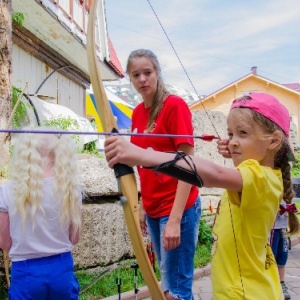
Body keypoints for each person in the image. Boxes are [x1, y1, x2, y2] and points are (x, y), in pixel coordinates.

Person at [105, 92, 297, 299]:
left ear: (274, 141)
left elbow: (213, 174)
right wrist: (240, 146)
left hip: (246, 294)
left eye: (242, 133)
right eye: (230, 134)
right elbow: (241, 166)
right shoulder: (262, 176)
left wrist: (141, 155)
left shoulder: (261, 179)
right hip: (249, 289)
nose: (231, 142)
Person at [126, 49, 201, 300]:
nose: (142, 79)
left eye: (147, 72)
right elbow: (141, 163)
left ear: (157, 73)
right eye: (136, 74)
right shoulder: (137, 112)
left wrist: (175, 219)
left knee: (176, 290)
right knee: (166, 284)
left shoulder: (174, 106)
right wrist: (142, 205)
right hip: (155, 208)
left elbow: (188, 165)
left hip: (177, 206)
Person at [0, 127, 82, 300]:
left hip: (25, 271)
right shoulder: (71, 190)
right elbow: (74, 238)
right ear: (61, 150)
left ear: (25, 150)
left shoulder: (6, 191)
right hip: (61, 269)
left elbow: (4, 243)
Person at [270, 200, 299, 300]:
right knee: (271, 257)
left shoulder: (287, 197)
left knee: (282, 257)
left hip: (282, 230)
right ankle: (270, 284)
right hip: (271, 229)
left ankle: (281, 284)